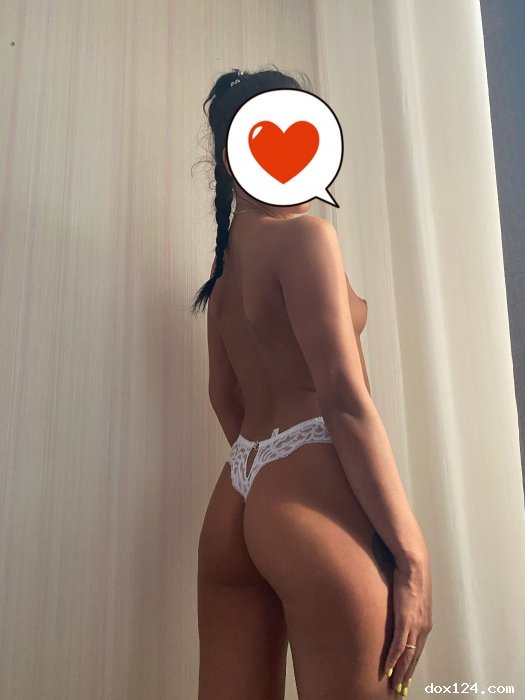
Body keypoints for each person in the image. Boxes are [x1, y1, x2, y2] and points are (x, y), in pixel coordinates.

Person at [193, 66, 433, 700]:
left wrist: (267, 483)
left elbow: (225, 397)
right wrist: (412, 556)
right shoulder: (306, 238)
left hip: (235, 501)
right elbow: (344, 400)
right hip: (310, 496)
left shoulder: (223, 282)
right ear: (235, 160)